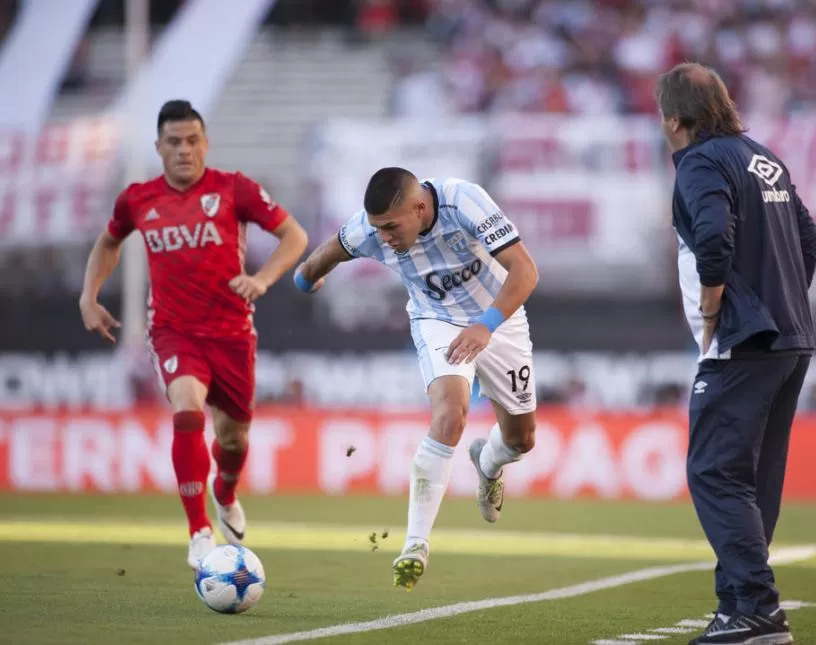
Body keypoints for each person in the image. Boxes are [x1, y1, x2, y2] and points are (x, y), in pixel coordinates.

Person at [79, 100, 308, 569]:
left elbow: (295, 237)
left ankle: (224, 491)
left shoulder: (234, 189)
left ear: (206, 143)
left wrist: (262, 279)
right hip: (173, 331)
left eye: (192, 141)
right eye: (174, 142)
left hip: (231, 335)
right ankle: (198, 530)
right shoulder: (137, 199)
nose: (184, 150)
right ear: (158, 147)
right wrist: (89, 296)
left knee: (233, 441)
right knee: (186, 410)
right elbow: (108, 242)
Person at [294, 167, 539, 591]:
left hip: (499, 317)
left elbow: (525, 270)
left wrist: (486, 324)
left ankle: (488, 462)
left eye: (391, 227)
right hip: (437, 319)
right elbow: (322, 258)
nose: (384, 238)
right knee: (451, 415)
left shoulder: (464, 201)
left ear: (420, 208)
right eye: (378, 229)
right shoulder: (367, 232)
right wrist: (305, 280)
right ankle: (415, 546)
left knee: (521, 440)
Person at [656, 63, 816, 645]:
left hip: (743, 342)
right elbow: (809, 238)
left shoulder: (701, 161)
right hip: (789, 338)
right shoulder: (763, 156)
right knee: (752, 481)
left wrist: (712, 309)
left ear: (674, 118)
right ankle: (741, 610)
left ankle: (755, 608)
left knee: (714, 471)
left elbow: (712, 236)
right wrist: (784, 299)